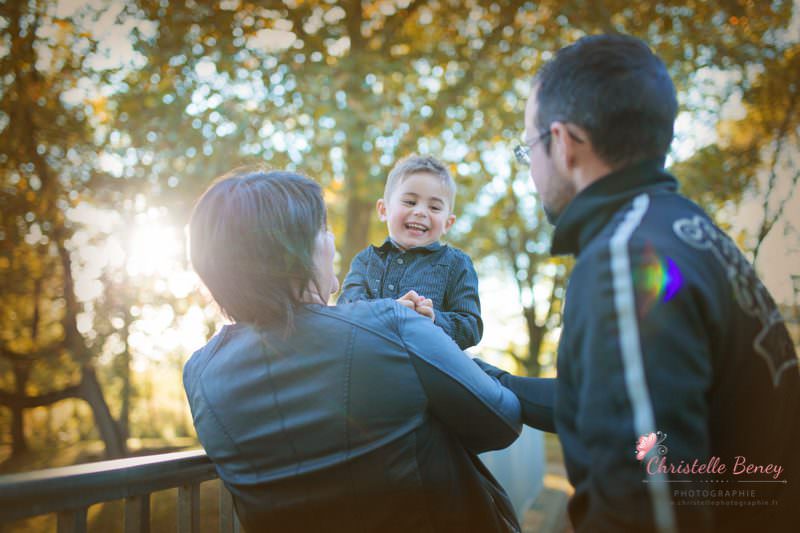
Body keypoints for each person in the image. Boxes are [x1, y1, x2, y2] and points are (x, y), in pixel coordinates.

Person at [481, 34, 800, 532]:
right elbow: (629, 399)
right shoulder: (692, 234)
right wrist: (493, 381)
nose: (531, 170)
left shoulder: (622, 263)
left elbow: (650, 503)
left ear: (563, 143)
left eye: (529, 147)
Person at [183, 168, 523, 533]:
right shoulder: (391, 326)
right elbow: (501, 421)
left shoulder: (200, 373)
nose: (332, 241)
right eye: (324, 230)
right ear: (297, 252)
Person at [339, 154, 482, 350]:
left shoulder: (457, 264)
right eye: (410, 202)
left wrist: (434, 319)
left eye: (434, 207)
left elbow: (471, 327)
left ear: (448, 223)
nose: (421, 212)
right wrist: (387, 312)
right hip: (371, 363)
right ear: (383, 210)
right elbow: (345, 310)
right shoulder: (365, 261)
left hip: (430, 369)